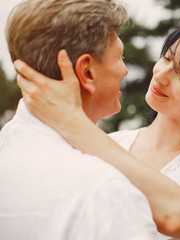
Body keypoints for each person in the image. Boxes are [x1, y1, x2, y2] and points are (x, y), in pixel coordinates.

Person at [16, 22, 180, 239]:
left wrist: (74, 123)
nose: (161, 75)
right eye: (167, 58)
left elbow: (178, 217)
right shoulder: (111, 142)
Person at [0, 0, 157, 239]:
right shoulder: (104, 191)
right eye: (119, 57)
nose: (125, 70)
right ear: (87, 72)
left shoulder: (6, 144)